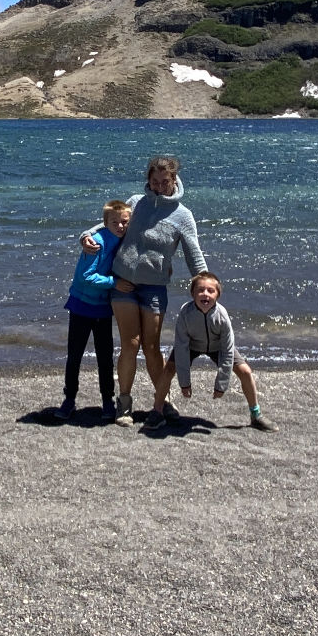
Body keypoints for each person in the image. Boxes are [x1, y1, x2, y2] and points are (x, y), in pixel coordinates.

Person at [90, 153, 207, 423]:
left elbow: (194, 255)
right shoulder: (135, 203)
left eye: (164, 181)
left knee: (152, 346)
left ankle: (162, 400)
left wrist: (205, 284)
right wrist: (88, 235)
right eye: (154, 181)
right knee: (130, 344)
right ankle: (125, 404)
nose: (158, 186)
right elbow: (111, 225)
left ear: (174, 179)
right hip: (123, 284)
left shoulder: (183, 216)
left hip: (154, 288)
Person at [168, 272, 270, 430]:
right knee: (168, 368)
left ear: (218, 295)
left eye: (211, 291)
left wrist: (221, 385)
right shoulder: (185, 313)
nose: (205, 294)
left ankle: (256, 414)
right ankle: (158, 409)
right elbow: (181, 348)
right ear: (192, 294)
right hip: (192, 345)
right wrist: (184, 383)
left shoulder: (222, 316)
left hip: (217, 347)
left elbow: (228, 350)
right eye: (200, 290)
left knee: (245, 371)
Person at [58, 199, 129, 419]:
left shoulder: (123, 239)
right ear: (105, 222)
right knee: (75, 356)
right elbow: (86, 276)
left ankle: (107, 401)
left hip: (103, 309)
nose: (120, 226)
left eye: (124, 222)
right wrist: (114, 283)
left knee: (105, 357)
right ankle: (69, 399)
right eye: (115, 222)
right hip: (81, 305)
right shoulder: (96, 242)